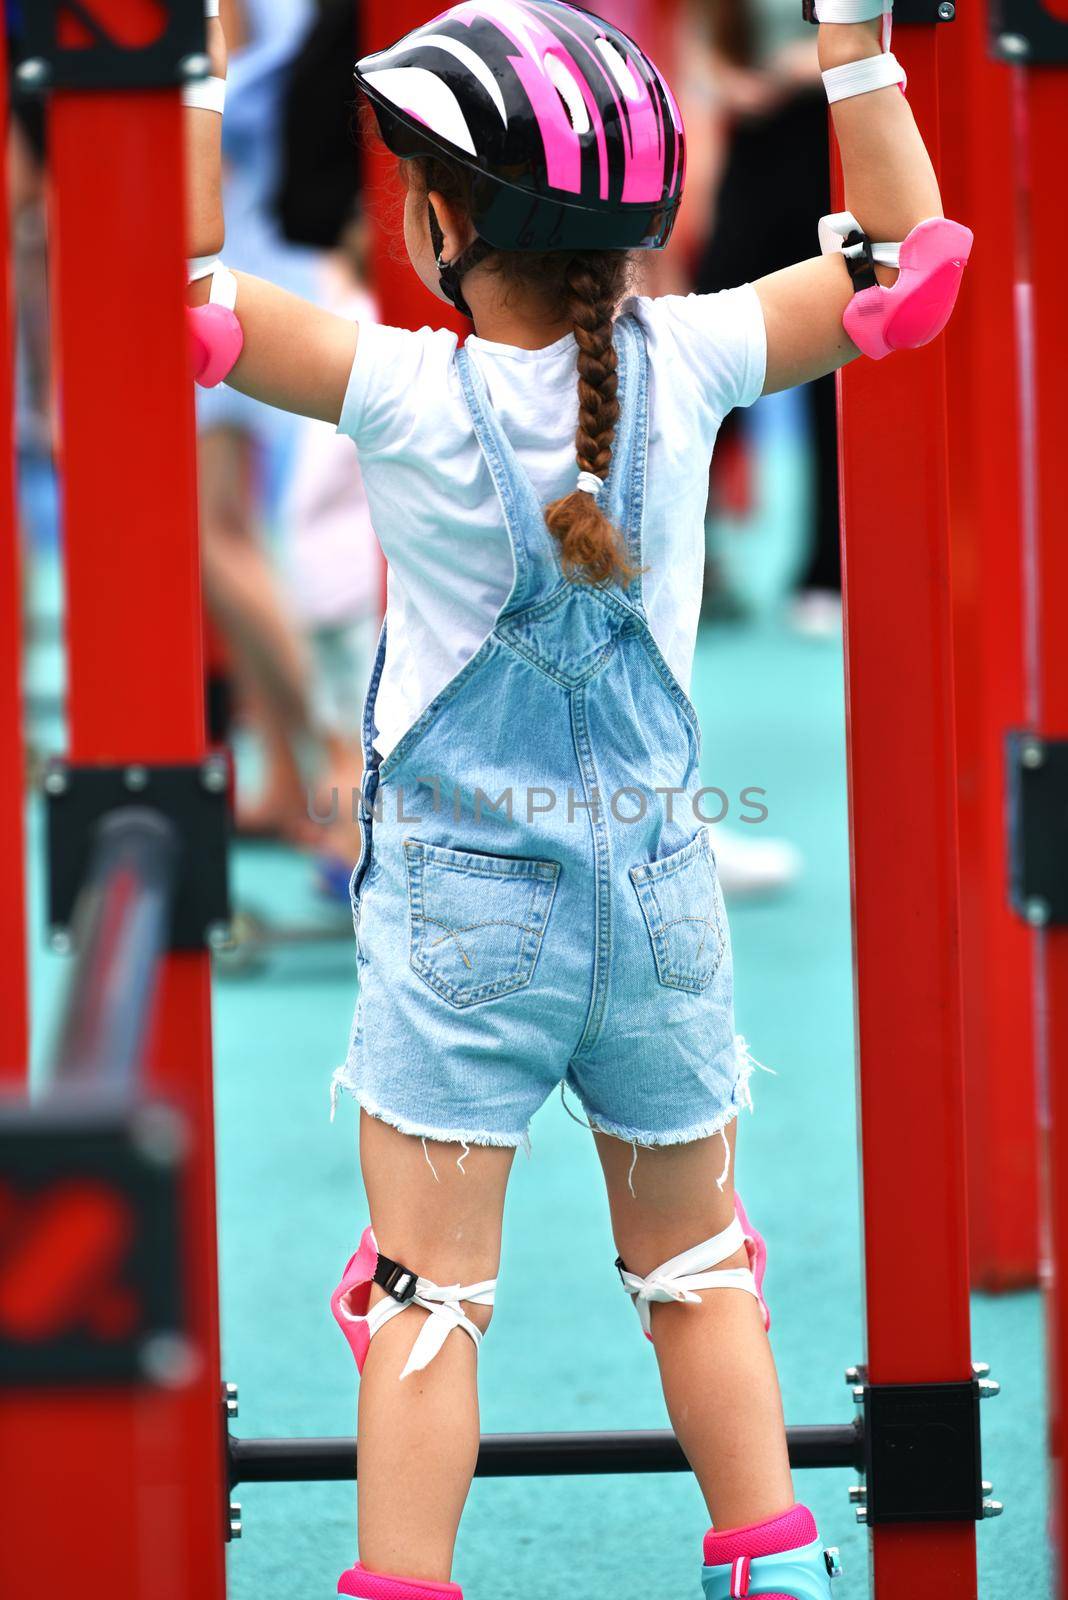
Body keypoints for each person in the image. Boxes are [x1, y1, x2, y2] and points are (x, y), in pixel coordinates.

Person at [185, 2, 964, 1595]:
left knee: (428, 1300)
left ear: (443, 222)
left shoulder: (402, 388)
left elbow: (183, 298)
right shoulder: (694, 358)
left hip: (461, 918)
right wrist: (857, 40)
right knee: (695, 1269)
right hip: (660, 903)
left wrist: (191, 79)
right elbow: (912, 267)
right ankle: (774, 1565)